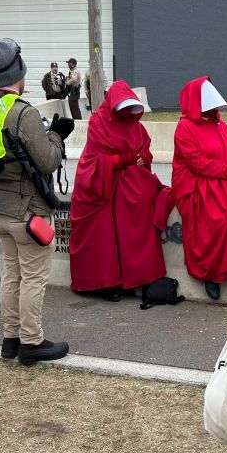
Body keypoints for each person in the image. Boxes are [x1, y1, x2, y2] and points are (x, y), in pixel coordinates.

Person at [0, 38, 72, 365]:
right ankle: (31, 341)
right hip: (28, 211)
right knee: (32, 278)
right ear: (20, 72)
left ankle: (10, 338)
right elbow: (46, 163)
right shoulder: (22, 113)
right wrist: (57, 135)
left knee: (11, 274)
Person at [69, 80, 172, 300]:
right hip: (99, 184)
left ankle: (138, 276)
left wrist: (140, 158)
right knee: (102, 229)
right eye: (122, 107)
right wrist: (126, 159)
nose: (126, 112)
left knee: (142, 207)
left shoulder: (136, 126)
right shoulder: (98, 121)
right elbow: (97, 158)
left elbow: (145, 154)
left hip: (126, 181)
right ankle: (103, 283)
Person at [172, 76, 227, 300]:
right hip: (197, 181)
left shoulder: (219, 123)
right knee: (218, 218)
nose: (213, 110)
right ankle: (212, 273)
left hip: (224, 177)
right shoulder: (184, 127)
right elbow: (196, 162)